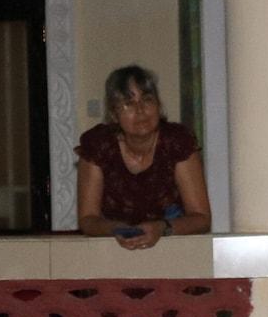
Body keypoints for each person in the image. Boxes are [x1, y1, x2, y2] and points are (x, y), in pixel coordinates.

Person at [75, 65, 212, 250]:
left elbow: (201, 218)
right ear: (114, 114)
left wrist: (162, 228)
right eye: (129, 103)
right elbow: (87, 219)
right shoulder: (99, 145)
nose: (140, 110)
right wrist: (115, 229)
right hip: (110, 251)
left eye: (147, 100)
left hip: (174, 248)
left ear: (158, 106)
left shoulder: (177, 142)